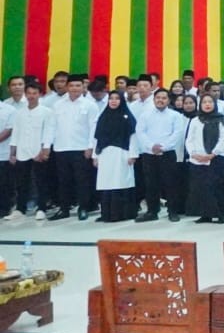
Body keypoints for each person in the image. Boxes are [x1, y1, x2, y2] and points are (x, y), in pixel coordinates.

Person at [50, 74, 99, 220]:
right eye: (71, 85)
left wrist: (90, 147)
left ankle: (83, 208)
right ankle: (64, 209)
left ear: (83, 87)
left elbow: (93, 128)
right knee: (63, 180)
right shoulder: (58, 105)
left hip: (81, 148)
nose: (75, 88)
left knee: (82, 180)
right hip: (61, 147)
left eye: (78, 85)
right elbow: (52, 126)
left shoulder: (90, 105)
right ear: (67, 87)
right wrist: (47, 145)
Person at [133, 88, 186, 223]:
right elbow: (140, 132)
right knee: (151, 184)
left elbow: (177, 133)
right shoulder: (145, 115)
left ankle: (172, 211)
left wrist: (163, 147)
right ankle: (152, 211)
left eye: (164, 98)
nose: (160, 100)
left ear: (168, 100)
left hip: (168, 153)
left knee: (171, 183)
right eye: (158, 98)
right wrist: (151, 146)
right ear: (154, 99)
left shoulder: (175, 115)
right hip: (149, 154)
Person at [6, 83, 54, 221]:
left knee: (41, 181)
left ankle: (41, 208)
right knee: (21, 182)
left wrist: (44, 150)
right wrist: (12, 153)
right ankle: (20, 209)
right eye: (29, 93)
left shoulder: (46, 112)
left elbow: (48, 132)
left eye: (34, 93)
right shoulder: (20, 113)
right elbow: (16, 133)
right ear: (25, 94)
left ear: (40, 94)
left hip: (38, 151)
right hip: (22, 151)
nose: (31, 96)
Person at [90, 91, 138, 223]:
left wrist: (133, 154)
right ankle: (107, 214)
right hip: (104, 155)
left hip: (122, 154)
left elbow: (133, 136)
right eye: (111, 98)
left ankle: (122, 214)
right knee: (106, 183)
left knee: (121, 181)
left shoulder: (127, 117)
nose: (114, 101)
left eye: (117, 98)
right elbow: (97, 138)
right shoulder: (103, 117)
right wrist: (95, 156)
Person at [184, 94, 224, 224]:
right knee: (200, 187)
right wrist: (193, 154)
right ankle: (205, 214)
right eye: (204, 102)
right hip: (197, 159)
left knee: (215, 187)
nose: (207, 104)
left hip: (216, 158)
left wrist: (212, 154)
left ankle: (220, 214)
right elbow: (189, 139)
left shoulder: (222, 120)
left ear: (215, 104)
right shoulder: (195, 120)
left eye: (210, 102)